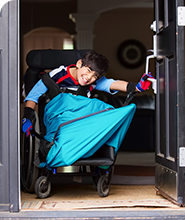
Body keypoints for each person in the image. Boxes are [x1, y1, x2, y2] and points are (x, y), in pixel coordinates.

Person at [22, 50, 153, 163]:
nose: (89, 77)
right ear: (79, 64)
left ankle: (103, 150)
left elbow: (111, 84)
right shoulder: (56, 75)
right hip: (60, 117)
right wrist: (27, 117)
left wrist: (136, 87)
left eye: (95, 76)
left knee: (107, 109)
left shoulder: (93, 82)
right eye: (89, 70)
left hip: (83, 119)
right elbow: (33, 96)